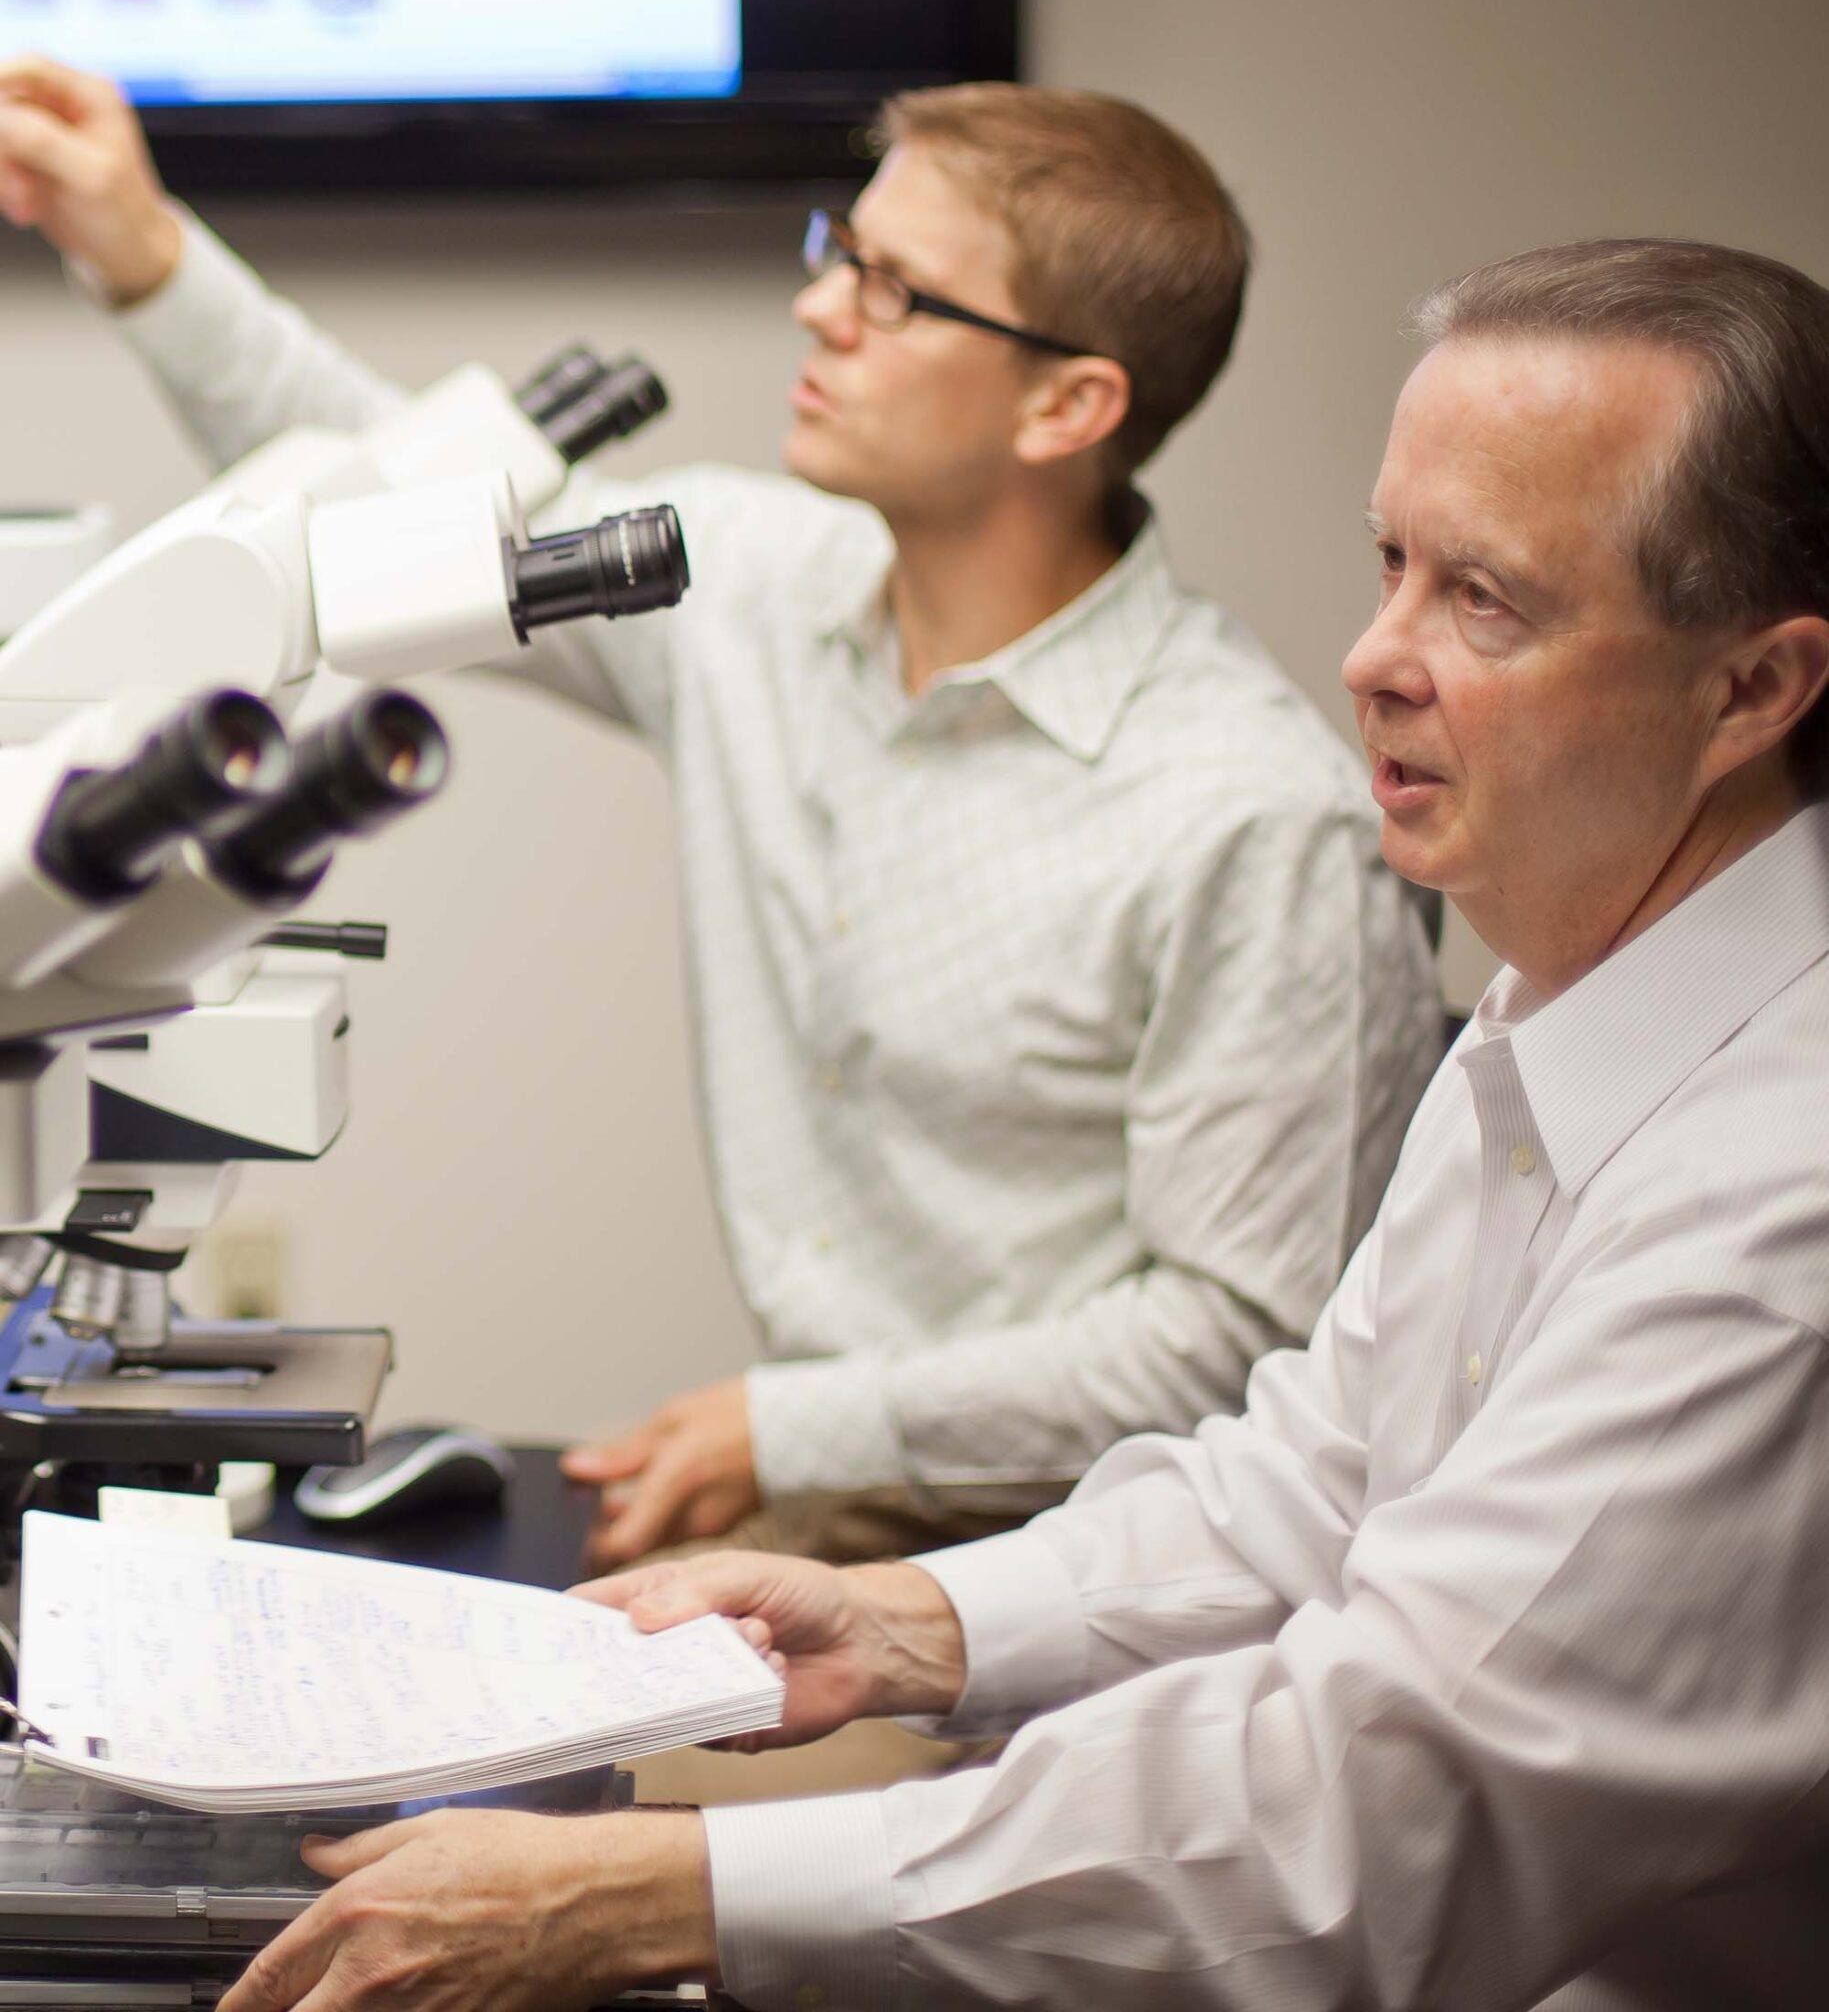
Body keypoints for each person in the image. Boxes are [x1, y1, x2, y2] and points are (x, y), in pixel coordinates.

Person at [217, 235, 1829, 2011]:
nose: (1373, 656)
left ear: (1753, 690)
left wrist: (655, 1893)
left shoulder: (1771, 1194)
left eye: (1486, 602)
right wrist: (908, 1627)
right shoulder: (1565, 1003)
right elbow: (1312, 1477)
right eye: (1390, 565)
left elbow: (1360, 1816)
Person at [0, 56, 1441, 1576]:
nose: (819, 309)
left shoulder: (1252, 819)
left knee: (508, 1798)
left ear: (1068, 404)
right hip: (827, 1523)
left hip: (1122, 1567)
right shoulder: (754, 579)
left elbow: (1236, 1346)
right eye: (843, 252)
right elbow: (371, 530)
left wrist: (784, 1431)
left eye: (895, 293)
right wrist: (138, 246)